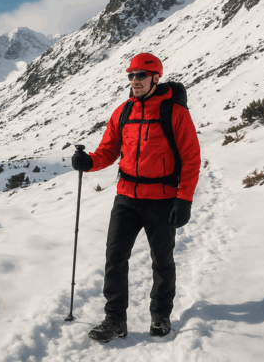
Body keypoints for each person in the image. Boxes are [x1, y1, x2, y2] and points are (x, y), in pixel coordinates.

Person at [71, 52, 201, 342]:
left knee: (162, 259)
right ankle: (115, 319)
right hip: (126, 197)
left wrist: (184, 199)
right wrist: (89, 162)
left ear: (155, 78)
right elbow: (108, 151)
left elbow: (191, 158)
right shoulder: (123, 112)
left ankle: (161, 315)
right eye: (131, 76)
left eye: (141, 75)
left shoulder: (175, 112)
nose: (135, 81)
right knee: (114, 258)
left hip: (162, 198)